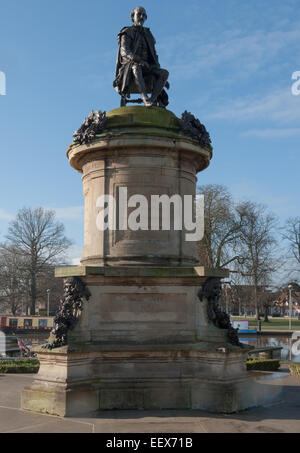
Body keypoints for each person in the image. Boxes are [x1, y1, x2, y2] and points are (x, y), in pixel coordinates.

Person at [113, 6, 169, 107]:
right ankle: (145, 98)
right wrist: (139, 60)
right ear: (132, 16)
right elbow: (124, 51)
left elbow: (154, 55)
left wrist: (160, 75)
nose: (142, 17)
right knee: (136, 67)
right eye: (139, 14)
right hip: (130, 66)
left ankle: (152, 99)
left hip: (147, 67)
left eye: (144, 15)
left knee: (164, 73)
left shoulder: (148, 34)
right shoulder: (127, 32)